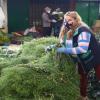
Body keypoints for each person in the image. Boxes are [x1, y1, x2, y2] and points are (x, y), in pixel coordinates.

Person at [57, 11, 100, 100]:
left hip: (95, 56)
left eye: (69, 20)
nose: (67, 22)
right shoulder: (72, 31)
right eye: (66, 21)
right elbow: (69, 47)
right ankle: (83, 96)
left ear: (76, 19)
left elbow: (82, 49)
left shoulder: (83, 30)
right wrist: (57, 46)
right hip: (83, 59)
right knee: (82, 77)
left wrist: (63, 50)